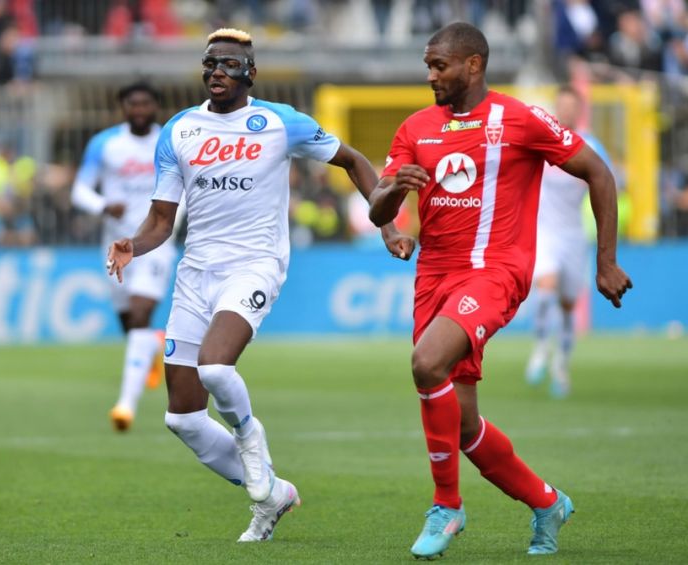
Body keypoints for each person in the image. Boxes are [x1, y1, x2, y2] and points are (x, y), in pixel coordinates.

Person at [107, 28, 410, 542]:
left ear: (249, 72)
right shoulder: (180, 130)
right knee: (182, 419)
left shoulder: (280, 123)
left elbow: (356, 162)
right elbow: (161, 219)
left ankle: (252, 443)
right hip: (195, 273)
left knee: (217, 366)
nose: (216, 72)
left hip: (255, 265)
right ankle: (271, 494)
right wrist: (132, 245)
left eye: (227, 64)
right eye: (209, 64)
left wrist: (388, 226)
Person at [368, 22, 632, 559]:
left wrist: (606, 261)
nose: (430, 75)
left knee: (425, 363)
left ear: (473, 64)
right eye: (428, 64)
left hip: (496, 271)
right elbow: (379, 208)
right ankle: (547, 502)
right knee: (462, 427)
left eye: (439, 65)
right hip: (434, 276)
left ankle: (447, 506)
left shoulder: (520, 119)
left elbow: (598, 173)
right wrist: (394, 190)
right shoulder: (416, 128)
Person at [72, 82, 175, 431]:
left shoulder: (171, 140)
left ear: (156, 106)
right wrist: (103, 206)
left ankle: (125, 406)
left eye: (146, 103)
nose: (140, 109)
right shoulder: (105, 144)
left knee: (142, 310)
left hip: (155, 243)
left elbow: (187, 188)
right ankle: (151, 348)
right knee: (130, 323)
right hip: (116, 245)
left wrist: (169, 223)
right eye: (133, 103)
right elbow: (80, 190)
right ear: (123, 107)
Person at [525, 85, 613, 399]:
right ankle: (539, 350)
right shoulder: (542, 142)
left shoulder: (590, 147)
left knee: (566, 306)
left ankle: (561, 365)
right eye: (560, 105)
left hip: (574, 235)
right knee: (545, 289)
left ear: (579, 110)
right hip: (544, 232)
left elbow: (607, 182)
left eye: (571, 106)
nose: (565, 111)